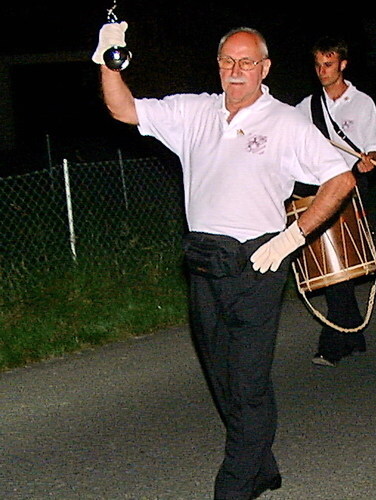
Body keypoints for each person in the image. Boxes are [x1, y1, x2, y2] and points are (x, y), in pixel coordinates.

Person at [97, 25, 356, 499]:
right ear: (218, 65)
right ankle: (262, 463)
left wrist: (291, 238)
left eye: (247, 62)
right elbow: (123, 108)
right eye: (228, 62)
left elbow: (340, 179)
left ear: (265, 68)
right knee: (221, 373)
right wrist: (107, 61)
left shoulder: (286, 122)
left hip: (257, 261)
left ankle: (235, 485)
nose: (237, 71)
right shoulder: (193, 110)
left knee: (248, 380)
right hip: (202, 261)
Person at [295, 37, 376, 367]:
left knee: (338, 268)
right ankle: (353, 337)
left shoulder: (362, 104)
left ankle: (333, 344)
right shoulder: (305, 107)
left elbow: (374, 148)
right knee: (334, 268)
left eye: (328, 65)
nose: (321, 71)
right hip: (317, 190)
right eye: (317, 65)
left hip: (347, 189)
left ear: (343, 65)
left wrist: (368, 161)